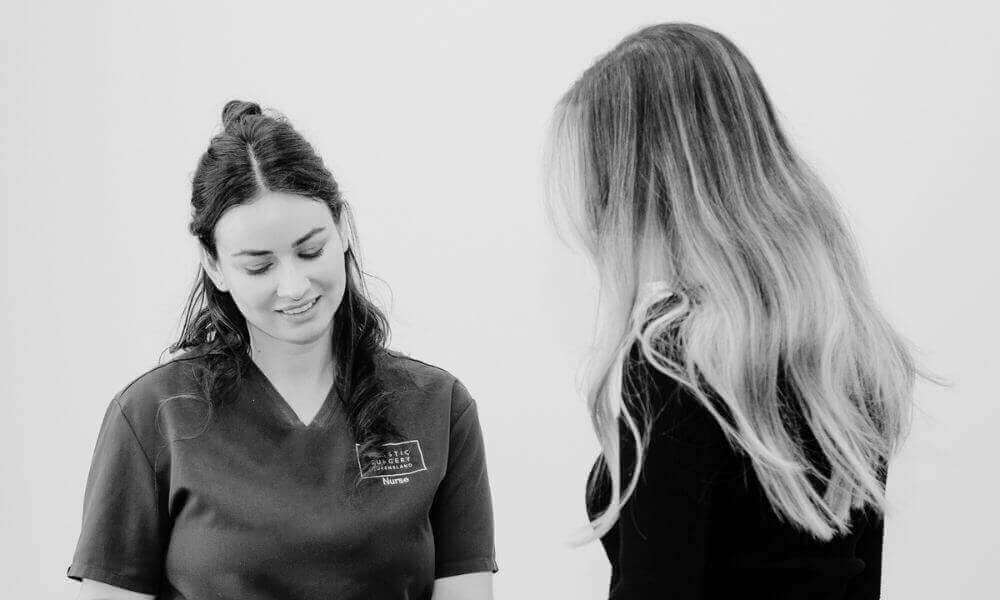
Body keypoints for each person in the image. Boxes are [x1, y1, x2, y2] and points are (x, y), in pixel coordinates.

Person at [545, 23, 921, 599]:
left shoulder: (673, 361)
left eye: (605, 183)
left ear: (654, 181)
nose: (600, 216)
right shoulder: (847, 354)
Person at [68, 101, 496, 600]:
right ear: (214, 266)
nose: (293, 286)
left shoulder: (438, 407)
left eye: (310, 250)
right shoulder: (152, 417)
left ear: (340, 229)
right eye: (258, 266)